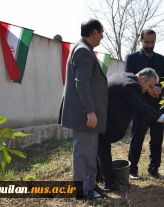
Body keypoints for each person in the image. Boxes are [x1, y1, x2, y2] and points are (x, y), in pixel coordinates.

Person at [97, 68, 164, 191]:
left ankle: (100, 177)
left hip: (102, 116)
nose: (149, 89)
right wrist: (162, 117)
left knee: (100, 148)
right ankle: (109, 182)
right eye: (150, 85)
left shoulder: (125, 76)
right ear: (142, 79)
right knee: (102, 146)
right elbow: (140, 106)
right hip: (101, 120)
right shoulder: (131, 85)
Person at [58, 19, 107, 200]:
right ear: (94, 32)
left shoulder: (83, 49)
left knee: (90, 151)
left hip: (87, 113)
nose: (102, 36)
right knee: (83, 153)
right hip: (85, 114)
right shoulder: (83, 51)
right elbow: (82, 83)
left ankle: (90, 185)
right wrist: (90, 111)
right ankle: (82, 191)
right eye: (101, 32)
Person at [125, 29, 164, 179]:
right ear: (140, 40)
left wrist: (160, 88)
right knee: (137, 138)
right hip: (140, 106)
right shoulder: (132, 58)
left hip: (158, 105)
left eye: (152, 42)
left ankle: (154, 168)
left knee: (157, 139)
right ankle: (132, 170)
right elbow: (129, 79)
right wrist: (145, 90)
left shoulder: (161, 59)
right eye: (147, 42)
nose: (150, 45)